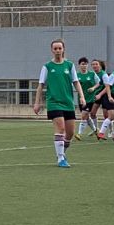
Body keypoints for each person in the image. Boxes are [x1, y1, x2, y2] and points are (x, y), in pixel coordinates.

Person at [31, 39, 84, 167]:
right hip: (54, 102)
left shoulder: (69, 66)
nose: (57, 51)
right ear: (52, 50)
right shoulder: (47, 67)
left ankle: (61, 152)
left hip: (68, 102)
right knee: (61, 128)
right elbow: (40, 85)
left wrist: (82, 97)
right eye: (55, 48)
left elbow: (76, 82)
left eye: (60, 48)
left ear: (63, 49)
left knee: (70, 133)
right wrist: (36, 103)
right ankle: (60, 159)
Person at [74, 57, 99, 140]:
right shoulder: (77, 75)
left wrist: (93, 88)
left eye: (85, 64)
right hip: (81, 98)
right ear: (79, 65)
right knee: (87, 117)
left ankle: (79, 134)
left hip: (90, 99)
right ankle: (96, 130)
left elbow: (98, 83)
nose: (84, 66)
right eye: (82, 64)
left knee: (84, 115)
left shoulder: (92, 74)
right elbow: (74, 85)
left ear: (87, 65)